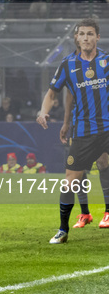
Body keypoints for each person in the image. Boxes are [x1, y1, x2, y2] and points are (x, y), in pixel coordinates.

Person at [37, 18, 109, 244]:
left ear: (98, 37)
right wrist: (43, 111)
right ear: (76, 38)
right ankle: (63, 229)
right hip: (84, 132)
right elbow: (52, 93)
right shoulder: (68, 65)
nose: (86, 38)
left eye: (90, 34)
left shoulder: (107, 60)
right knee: (71, 181)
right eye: (82, 34)